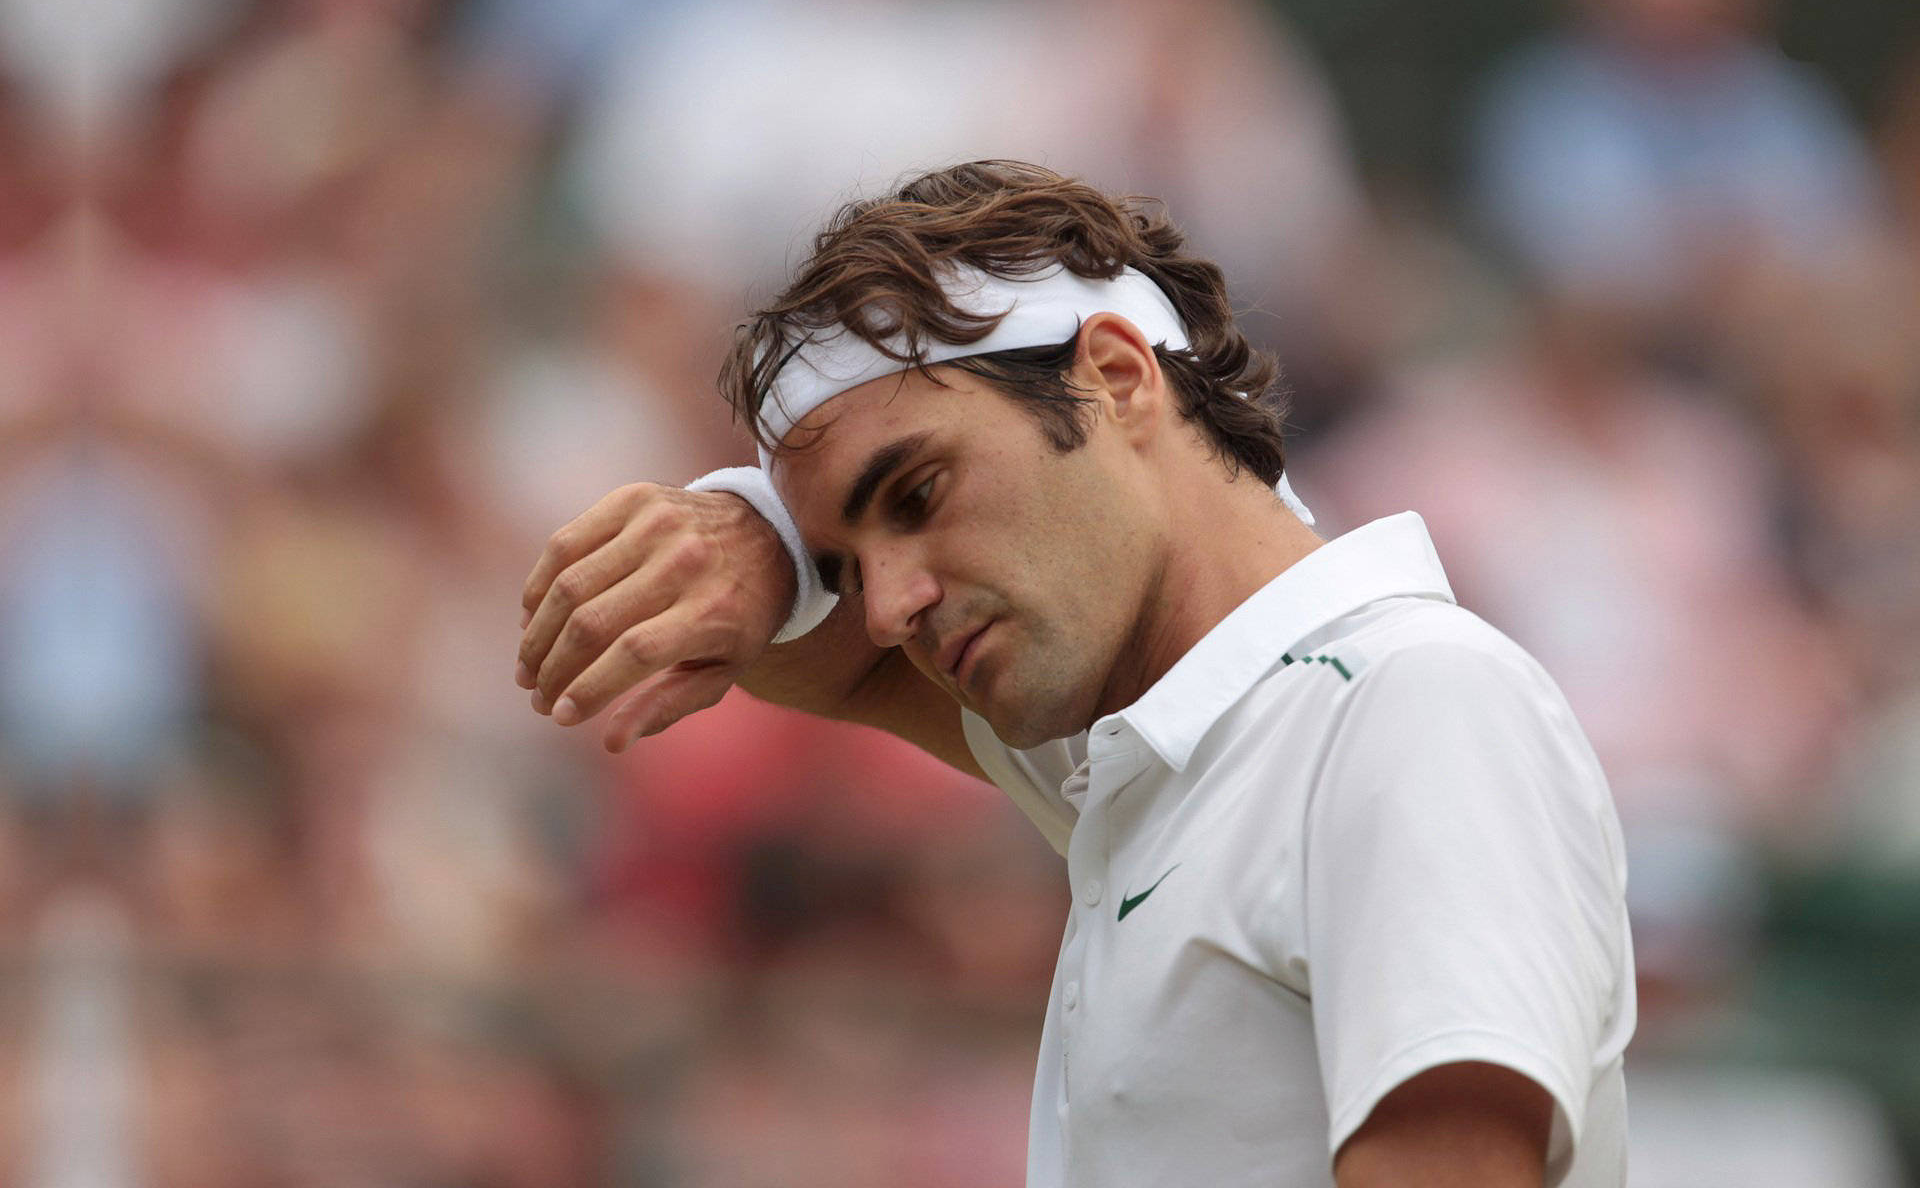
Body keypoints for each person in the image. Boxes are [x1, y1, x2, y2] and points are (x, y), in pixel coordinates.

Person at [515, 161, 1634, 1187]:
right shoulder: (1173, 748)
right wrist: (763, 531)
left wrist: (785, 529)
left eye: (918, 494)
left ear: (1114, 377)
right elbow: (819, 657)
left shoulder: (1407, 705)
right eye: (848, 568)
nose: (893, 606)